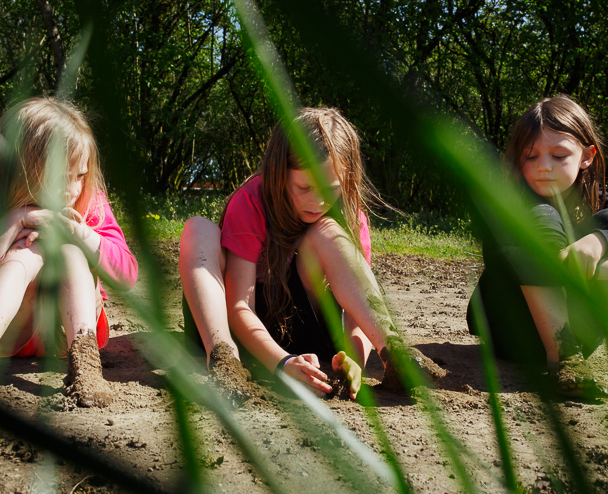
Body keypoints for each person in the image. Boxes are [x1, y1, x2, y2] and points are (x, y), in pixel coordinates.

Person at [179, 107, 444, 401]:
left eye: (330, 189)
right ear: (278, 174)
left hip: (309, 339)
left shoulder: (349, 220)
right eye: (303, 187)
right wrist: (280, 364)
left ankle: (394, 352)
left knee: (327, 230)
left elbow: (359, 310)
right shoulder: (252, 202)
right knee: (197, 228)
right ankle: (223, 360)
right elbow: (240, 305)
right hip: (234, 330)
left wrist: (353, 359)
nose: (317, 201)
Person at [467, 95, 608, 398]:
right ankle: (564, 362)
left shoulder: (607, 200)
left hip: (583, 329)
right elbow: (506, 260)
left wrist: (601, 241)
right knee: (543, 215)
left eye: (558, 156)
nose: (543, 167)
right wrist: (601, 270)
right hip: (514, 330)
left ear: (587, 156)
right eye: (530, 156)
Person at [0, 97, 138, 408]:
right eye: (60, 177)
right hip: (12, 333)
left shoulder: (90, 203)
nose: (74, 189)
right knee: (23, 255)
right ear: (22, 170)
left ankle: (87, 366)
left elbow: (127, 276)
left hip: (68, 332)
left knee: (70, 251)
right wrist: (13, 224)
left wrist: (79, 234)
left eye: (80, 176)